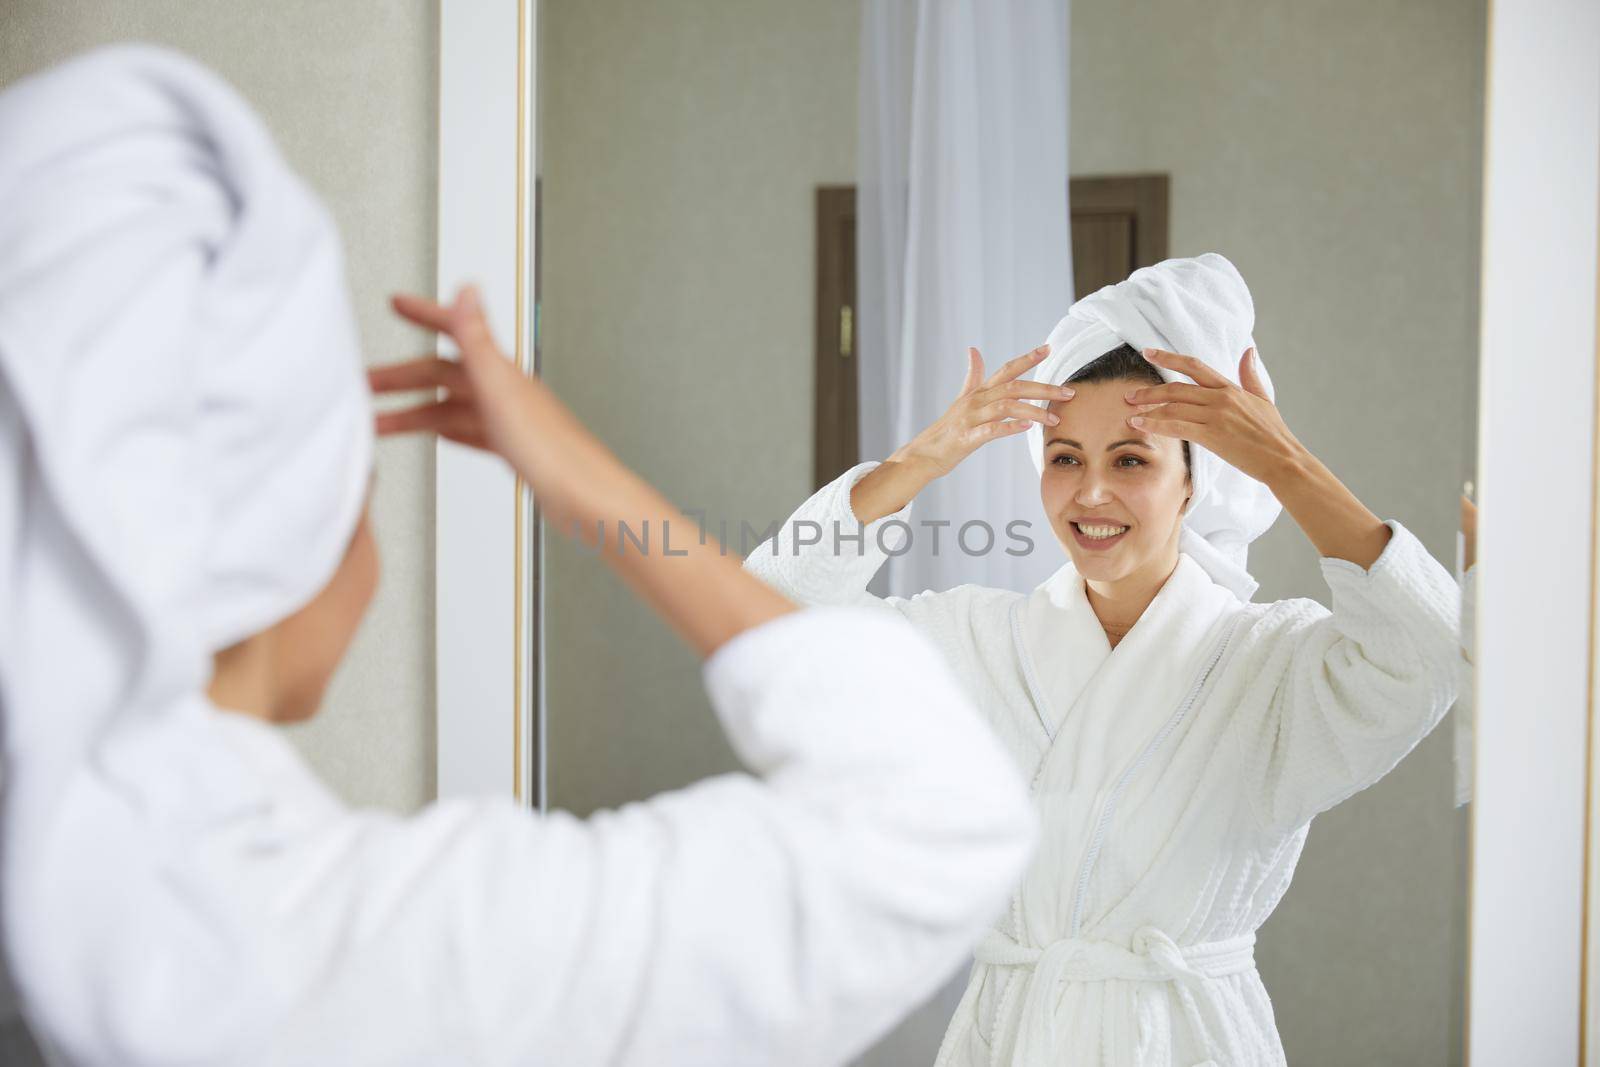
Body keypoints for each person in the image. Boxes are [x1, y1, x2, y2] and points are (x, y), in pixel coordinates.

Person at [0, 45, 1037, 1066]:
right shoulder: (366, 951)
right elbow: (940, 819)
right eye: (357, 486)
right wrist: (583, 474)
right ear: (282, 541)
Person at [746, 254, 1463, 1065]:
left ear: (1194, 481)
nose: (1090, 494)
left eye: (1130, 459)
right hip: (1014, 1035)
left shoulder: (1268, 666)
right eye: (1063, 457)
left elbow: (1434, 652)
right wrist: (921, 459)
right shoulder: (980, 643)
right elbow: (765, 612)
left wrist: (1286, 464)